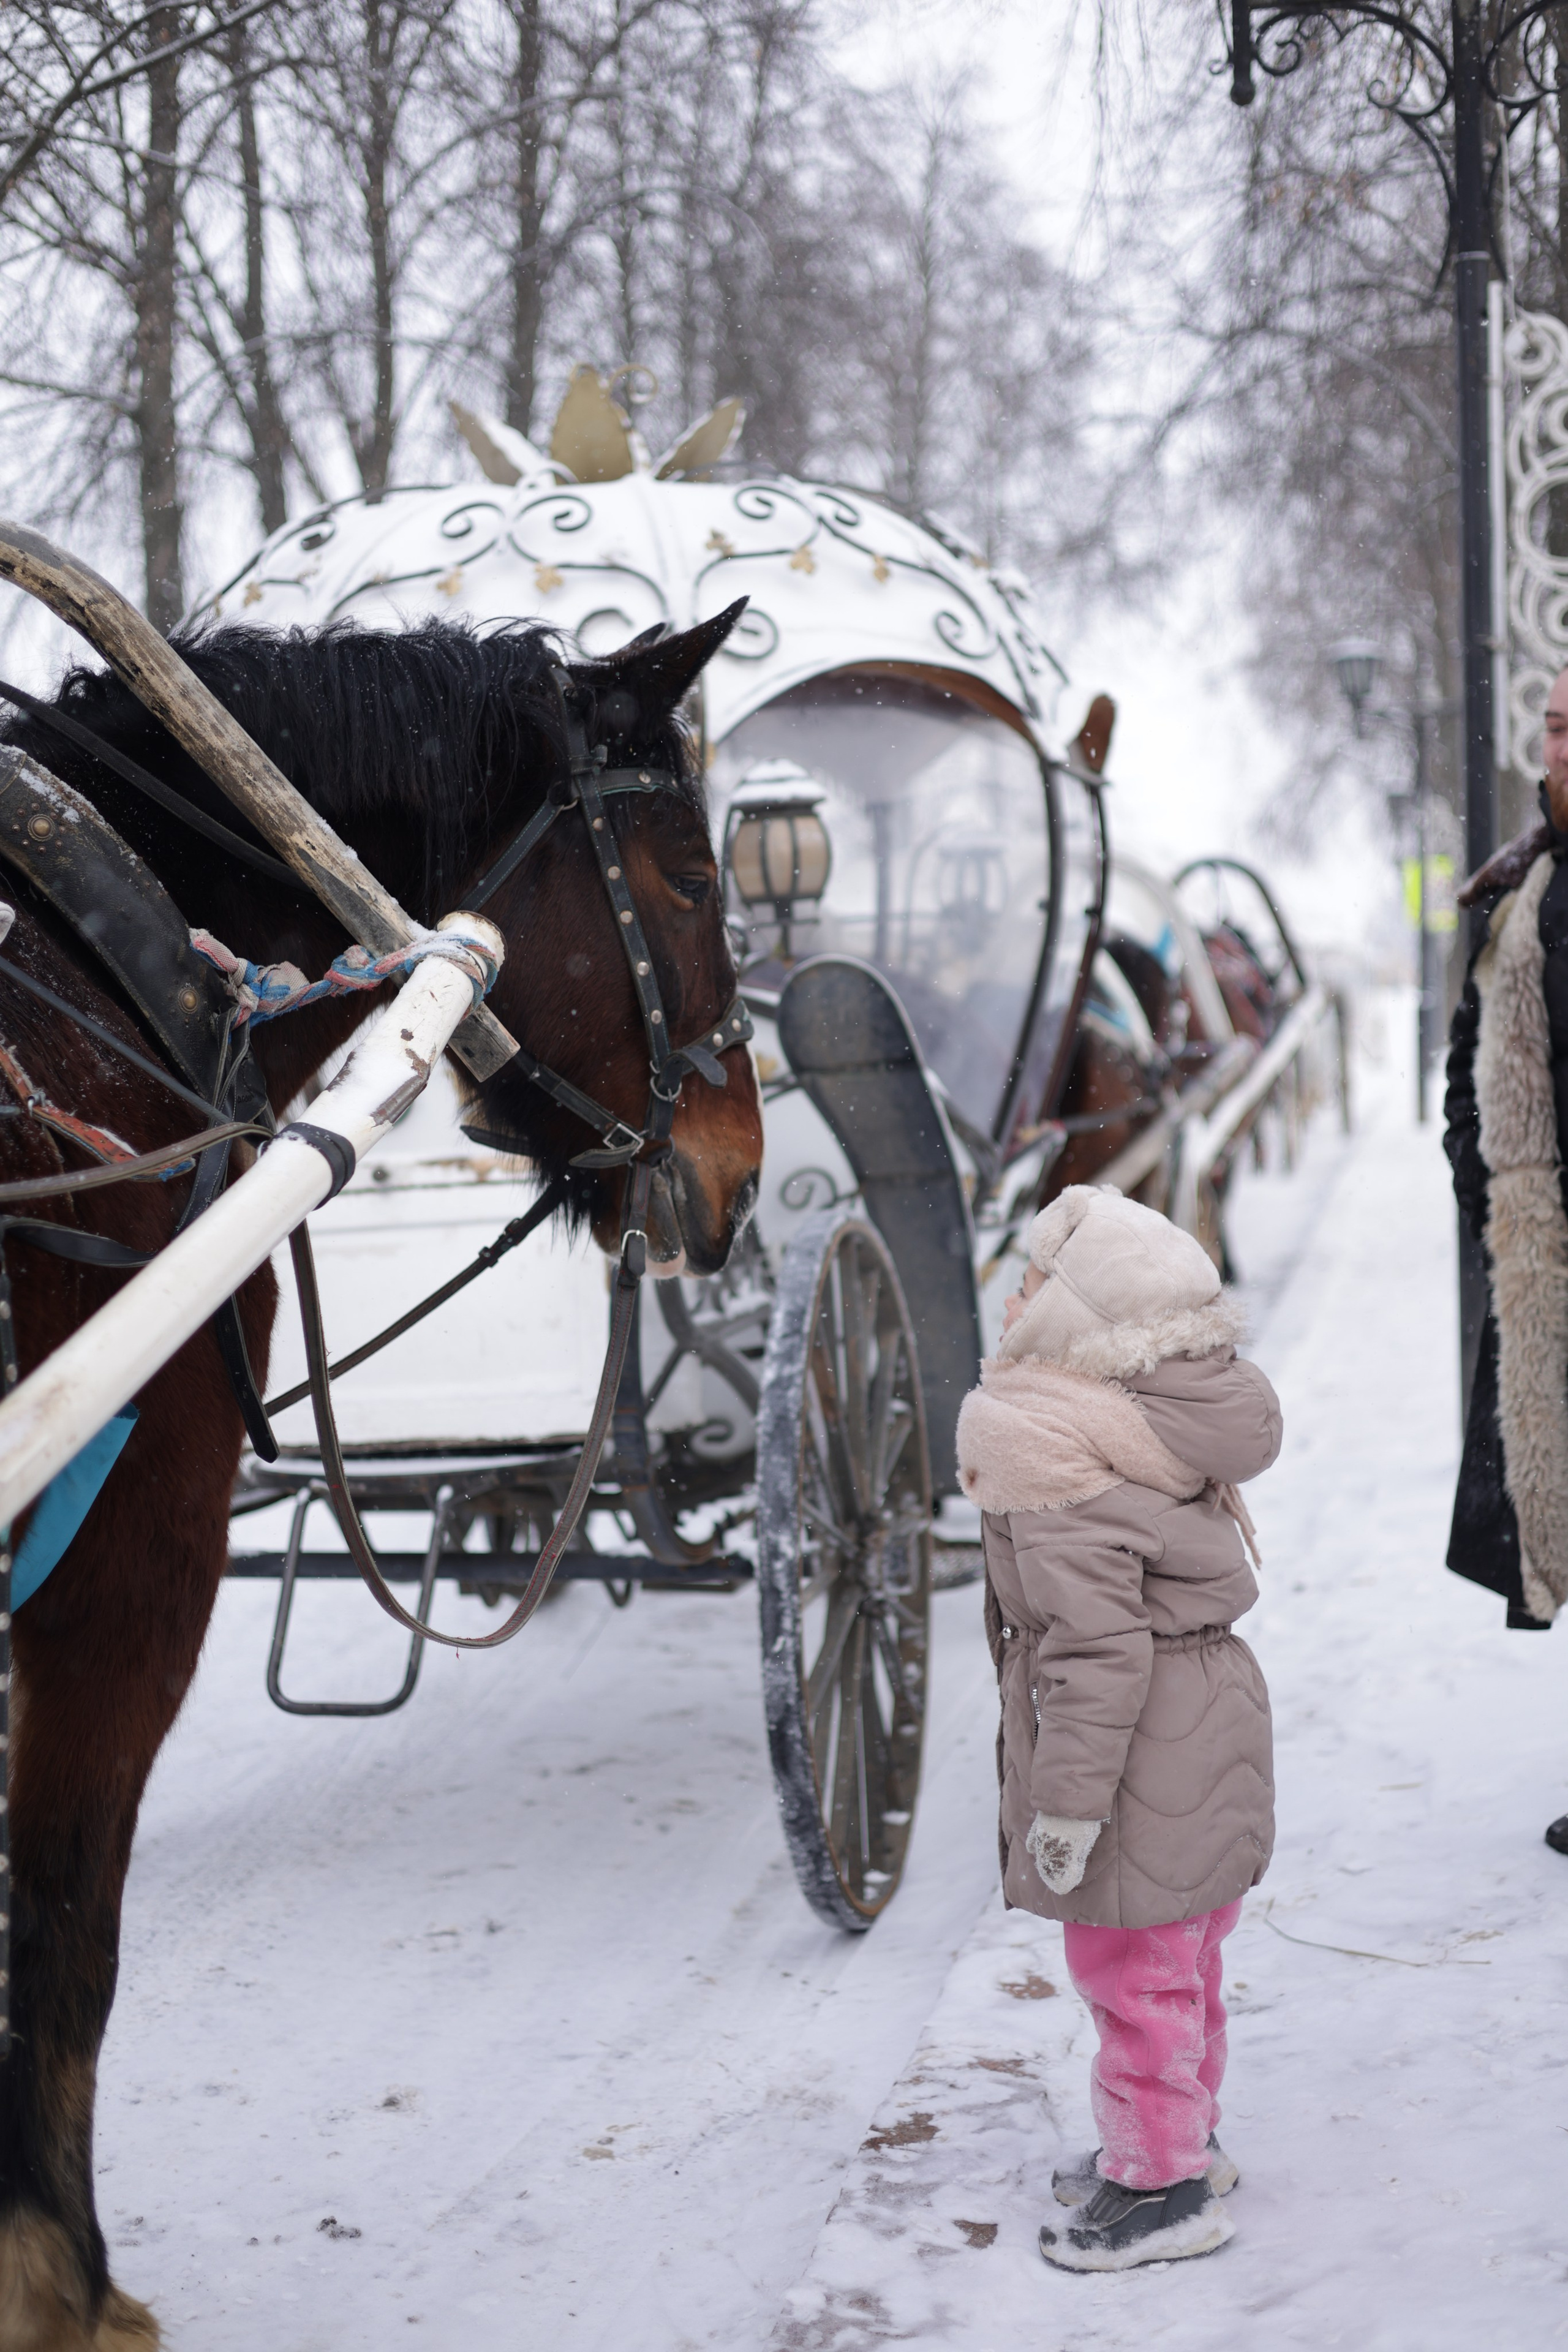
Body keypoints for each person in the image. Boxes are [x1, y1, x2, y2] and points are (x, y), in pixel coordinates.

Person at [956, 1184, 1282, 2273]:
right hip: (1207, 1723)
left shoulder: (1058, 1457)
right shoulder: (1147, 1415)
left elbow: (1096, 1655)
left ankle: (1162, 2190)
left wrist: (1066, 1811)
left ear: (1090, 1326)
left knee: (1132, 1976)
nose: (1015, 1298)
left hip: (1138, 1766)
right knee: (1184, 1966)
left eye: (1038, 1282)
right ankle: (1187, 2137)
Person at [1444, 662, 1568, 1848]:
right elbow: (1464, 1073)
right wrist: (1482, 1188)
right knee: (1560, 1513)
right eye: (1552, 724)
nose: (1561, 743)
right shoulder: (1512, 891)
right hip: (1548, 1254)